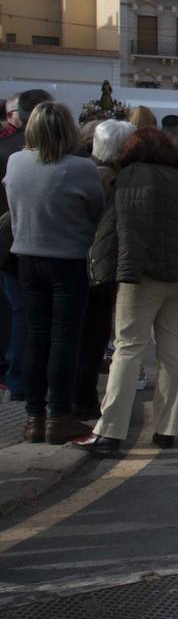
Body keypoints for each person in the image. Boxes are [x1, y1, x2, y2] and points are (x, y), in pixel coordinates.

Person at [71, 127, 178, 455]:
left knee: (128, 347)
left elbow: (112, 228)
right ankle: (167, 428)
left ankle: (110, 431)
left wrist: (101, 272)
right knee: (173, 347)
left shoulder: (129, 177)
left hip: (141, 274)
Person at [5, 102, 105, 445]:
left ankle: (34, 417)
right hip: (68, 260)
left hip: (27, 257)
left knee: (36, 335)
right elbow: (96, 212)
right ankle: (59, 415)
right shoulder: (81, 168)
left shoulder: (16, 162)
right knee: (65, 338)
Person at [73, 119, 138, 418]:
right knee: (92, 336)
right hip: (97, 265)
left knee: (81, 335)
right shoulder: (110, 179)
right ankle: (84, 400)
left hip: (78, 260)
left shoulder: (81, 170)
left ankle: (77, 397)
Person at [0, 89, 53, 405]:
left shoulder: (11, 150)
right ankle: (22, 378)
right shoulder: (63, 153)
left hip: (11, 243)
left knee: (18, 312)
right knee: (32, 316)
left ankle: (16, 376)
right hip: (43, 245)